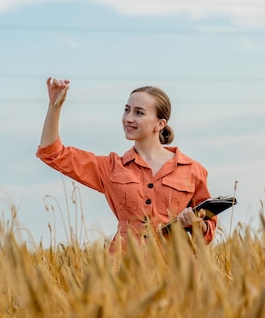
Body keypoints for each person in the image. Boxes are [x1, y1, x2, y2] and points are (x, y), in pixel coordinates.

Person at [36, 77, 217, 252]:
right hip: (125, 270)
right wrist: (55, 106)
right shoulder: (111, 168)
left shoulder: (193, 170)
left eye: (139, 112)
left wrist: (196, 224)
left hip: (177, 272)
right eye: (126, 110)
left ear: (160, 124)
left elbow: (208, 232)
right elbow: (52, 153)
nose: (128, 118)